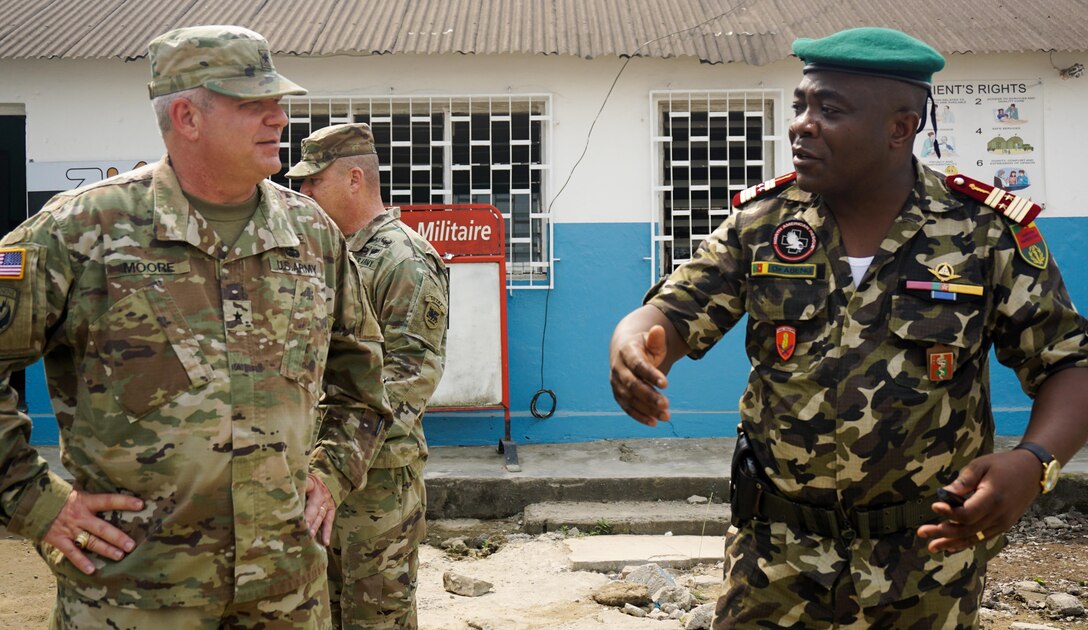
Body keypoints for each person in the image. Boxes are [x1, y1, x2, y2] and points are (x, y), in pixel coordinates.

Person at [609, 26, 1088, 629]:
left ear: (900, 127)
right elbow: (674, 312)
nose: (801, 125)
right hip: (774, 562)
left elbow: (1068, 363)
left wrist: (1035, 461)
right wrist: (632, 339)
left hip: (925, 566)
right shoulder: (763, 225)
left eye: (830, 109)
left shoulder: (982, 233)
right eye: (801, 106)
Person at [0, 25, 393, 627]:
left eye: (278, 103)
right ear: (187, 116)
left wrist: (332, 473)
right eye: (253, 104)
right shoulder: (83, 231)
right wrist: (34, 500)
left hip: (285, 596)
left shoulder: (311, 234)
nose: (279, 119)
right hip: (133, 599)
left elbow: (362, 372)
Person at [287, 123, 449, 629]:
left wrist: (339, 464)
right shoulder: (329, 254)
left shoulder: (404, 259)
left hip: (375, 484)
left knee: (375, 618)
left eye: (313, 181)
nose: (303, 192)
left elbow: (410, 377)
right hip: (319, 477)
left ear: (354, 178)